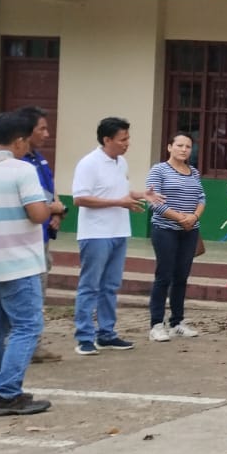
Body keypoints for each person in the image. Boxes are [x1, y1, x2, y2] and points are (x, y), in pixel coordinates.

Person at [0, 108, 67, 416]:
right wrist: (54, 206)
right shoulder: (22, 170)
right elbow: (37, 214)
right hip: (17, 262)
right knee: (27, 326)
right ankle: (9, 394)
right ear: (19, 141)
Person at [72, 116, 156, 357]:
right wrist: (119, 202)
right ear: (107, 139)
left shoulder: (121, 163)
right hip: (95, 233)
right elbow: (80, 198)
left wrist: (140, 194)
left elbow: (117, 192)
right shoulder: (89, 163)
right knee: (90, 285)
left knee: (110, 285)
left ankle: (106, 333)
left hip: (119, 230)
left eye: (128, 138)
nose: (127, 143)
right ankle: (84, 337)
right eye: (123, 139)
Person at [145, 132, 206, 342]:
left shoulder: (194, 172)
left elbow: (201, 197)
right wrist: (180, 217)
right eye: (179, 145)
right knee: (164, 276)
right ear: (169, 147)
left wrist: (194, 217)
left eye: (188, 146)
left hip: (189, 231)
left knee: (182, 276)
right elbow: (154, 201)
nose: (183, 149)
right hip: (165, 230)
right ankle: (156, 324)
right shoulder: (159, 170)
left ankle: (177, 322)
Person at [18, 105, 65, 364]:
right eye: (42, 129)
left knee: (39, 295)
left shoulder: (39, 159)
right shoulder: (19, 164)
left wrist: (57, 213)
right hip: (24, 242)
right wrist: (51, 208)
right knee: (26, 298)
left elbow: (51, 190)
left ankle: (35, 344)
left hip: (42, 240)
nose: (47, 134)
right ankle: (20, 346)